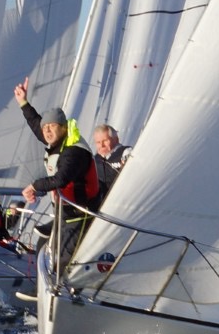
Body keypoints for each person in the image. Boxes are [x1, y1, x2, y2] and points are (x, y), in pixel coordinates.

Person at [14, 80, 100, 254]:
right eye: (45, 127)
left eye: (52, 126)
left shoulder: (74, 150)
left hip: (79, 215)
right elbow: (36, 124)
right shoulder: (56, 140)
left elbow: (61, 179)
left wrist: (34, 186)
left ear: (63, 128)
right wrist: (23, 103)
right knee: (41, 249)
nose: (47, 130)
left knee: (63, 260)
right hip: (64, 213)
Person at [91, 124, 131, 200]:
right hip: (100, 205)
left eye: (105, 141)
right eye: (98, 142)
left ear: (116, 139)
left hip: (122, 201)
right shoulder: (94, 160)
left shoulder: (126, 152)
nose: (102, 145)